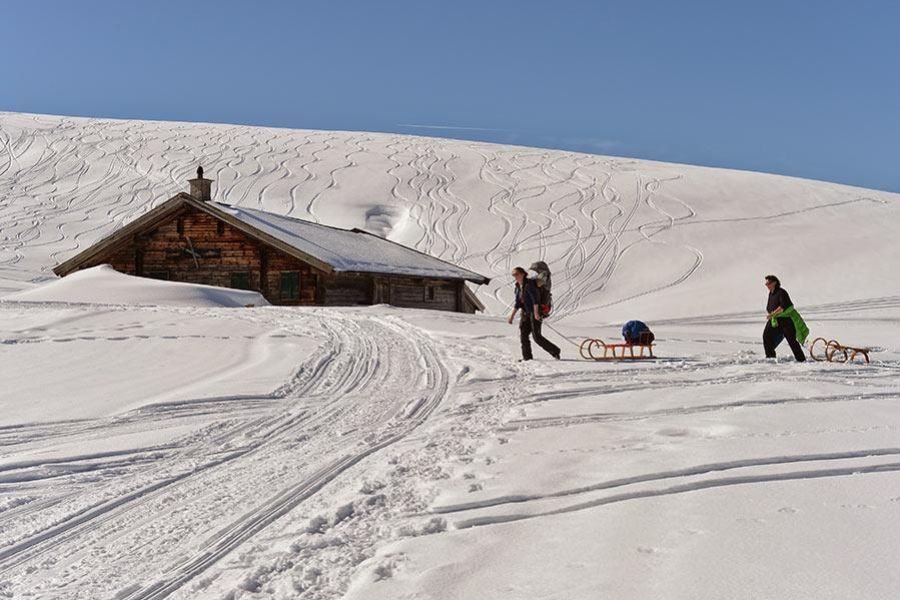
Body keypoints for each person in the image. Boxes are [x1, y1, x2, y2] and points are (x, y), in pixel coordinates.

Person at [507, 266, 561, 361]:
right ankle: (527, 358)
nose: (515, 276)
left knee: (537, 337)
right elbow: (518, 303)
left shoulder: (529, 284)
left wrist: (536, 314)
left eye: (516, 274)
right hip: (525, 313)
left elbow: (535, 299)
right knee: (523, 335)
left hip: (535, 311)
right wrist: (511, 316)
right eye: (513, 275)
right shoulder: (518, 286)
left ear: (523, 274)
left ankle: (555, 351)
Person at [763, 275, 808, 362]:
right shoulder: (771, 294)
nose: (767, 285)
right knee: (766, 336)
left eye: (768, 283)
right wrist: (772, 314)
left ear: (774, 283)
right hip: (775, 320)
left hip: (786, 320)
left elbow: (784, 306)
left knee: (791, 340)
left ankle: (801, 360)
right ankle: (770, 358)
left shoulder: (781, 292)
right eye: (766, 284)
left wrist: (773, 314)